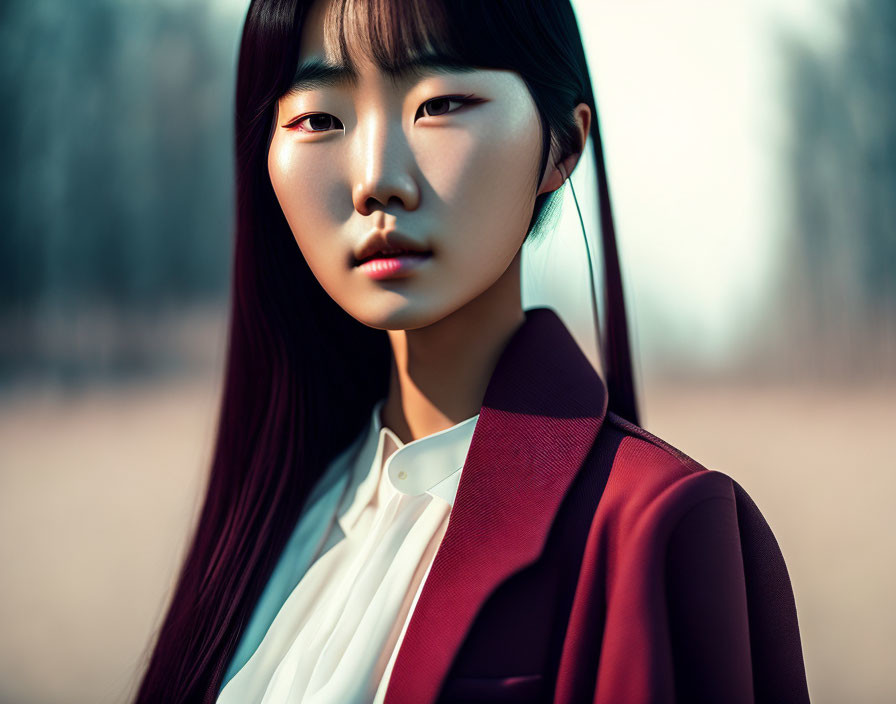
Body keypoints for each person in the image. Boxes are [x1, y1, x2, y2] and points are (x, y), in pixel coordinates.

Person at [134, 0, 811, 702]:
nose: (377, 181)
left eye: (442, 104)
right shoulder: (276, 513)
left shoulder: (652, 528)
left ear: (562, 146)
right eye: (319, 119)